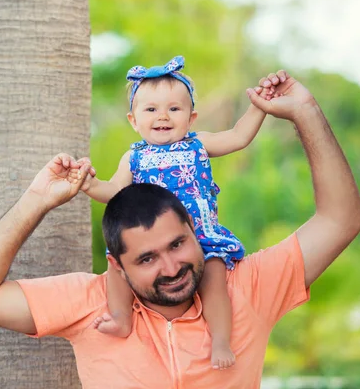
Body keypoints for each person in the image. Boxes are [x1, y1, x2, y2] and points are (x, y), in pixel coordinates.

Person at [0, 70, 360, 389]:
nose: (171, 266)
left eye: (178, 243)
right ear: (119, 266)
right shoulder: (93, 304)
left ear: (192, 230)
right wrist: (36, 200)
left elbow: (341, 219)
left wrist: (304, 112)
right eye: (146, 257)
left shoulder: (248, 288)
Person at [77, 55, 267, 370]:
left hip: (200, 235)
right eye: (151, 109)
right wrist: (88, 184)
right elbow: (113, 191)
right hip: (150, 242)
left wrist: (259, 106)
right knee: (117, 267)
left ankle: (220, 339)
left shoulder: (198, 144)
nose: (163, 116)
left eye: (174, 109)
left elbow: (238, 137)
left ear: (191, 118)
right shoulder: (134, 157)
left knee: (215, 280)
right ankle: (121, 318)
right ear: (133, 120)